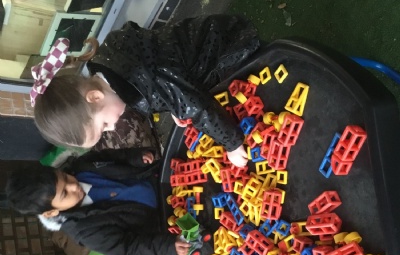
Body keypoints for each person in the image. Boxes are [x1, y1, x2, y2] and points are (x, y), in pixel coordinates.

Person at [31, 15, 260, 167]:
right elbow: (167, 69)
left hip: (228, 49)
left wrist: (232, 144)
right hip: (209, 38)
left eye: (104, 125)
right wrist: (174, 102)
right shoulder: (110, 64)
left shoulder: (142, 75)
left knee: (254, 85)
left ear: (95, 96)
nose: (112, 127)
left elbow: (198, 107)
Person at [5, 147, 191, 255]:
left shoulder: (82, 166)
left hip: (163, 178)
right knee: (200, 223)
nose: (73, 186)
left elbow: (113, 156)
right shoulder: (86, 232)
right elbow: (127, 248)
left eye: (65, 177)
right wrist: (167, 246)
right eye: (65, 194)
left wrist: (136, 157)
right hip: (168, 216)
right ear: (52, 212)